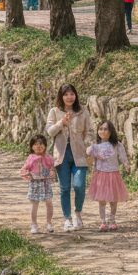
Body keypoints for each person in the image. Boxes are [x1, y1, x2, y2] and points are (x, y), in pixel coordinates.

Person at [45, 84, 92, 231]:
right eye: (66, 94)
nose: (69, 97)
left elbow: (89, 131)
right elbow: (50, 132)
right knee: (65, 188)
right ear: (61, 96)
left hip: (79, 154)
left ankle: (78, 213)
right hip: (62, 154)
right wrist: (61, 123)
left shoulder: (82, 111)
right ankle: (67, 218)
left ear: (76, 95)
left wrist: (88, 145)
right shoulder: (54, 111)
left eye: (72, 94)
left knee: (79, 186)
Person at [87, 120, 129, 231]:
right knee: (102, 200)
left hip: (113, 174)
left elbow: (122, 156)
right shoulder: (95, 146)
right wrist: (90, 153)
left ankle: (112, 220)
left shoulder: (116, 144)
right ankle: (103, 222)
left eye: (105, 129)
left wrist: (126, 164)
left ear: (111, 131)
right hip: (100, 174)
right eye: (100, 129)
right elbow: (91, 161)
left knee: (113, 199)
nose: (102, 131)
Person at [21, 134, 55, 234]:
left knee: (49, 202)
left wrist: (52, 172)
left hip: (46, 183)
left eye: (41, 144)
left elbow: (52, 167)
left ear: (45, 145)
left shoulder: (48, 157)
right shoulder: (31, 158)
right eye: (35, 144)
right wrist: (26, 173)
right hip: (34, 184)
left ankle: (49, 223)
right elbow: (24, 169)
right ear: (32, 146)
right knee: (34, 204)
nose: (38, 146)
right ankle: (34, 224)